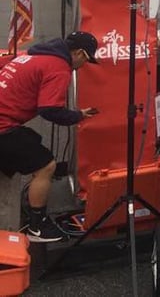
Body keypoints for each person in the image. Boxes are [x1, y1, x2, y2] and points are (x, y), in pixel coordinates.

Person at [0, 33, 100, 242]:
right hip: (4, 126)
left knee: (29, 142)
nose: (82, 66)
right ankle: (37, 227)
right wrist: (77, 116)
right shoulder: (59, 67)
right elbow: (50, 110)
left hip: (7, 123)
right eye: (86, 60)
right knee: (45, 165)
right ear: (79, 53)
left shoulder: (31, 55)